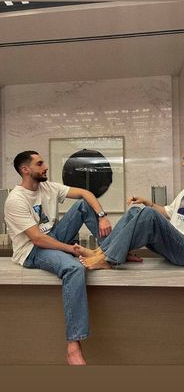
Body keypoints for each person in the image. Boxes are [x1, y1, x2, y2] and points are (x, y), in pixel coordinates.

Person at [4, 150, 114, 365]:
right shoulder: (15, 200)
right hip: (31, 251)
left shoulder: (48, 187)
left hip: (52, 237)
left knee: (83, 205)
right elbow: (37, 239)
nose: (45, 167)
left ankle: (111, 252)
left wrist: (102, 217)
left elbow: (85, 193)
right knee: (74, 268)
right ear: (25, 170)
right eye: (40, 163)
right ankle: (73, 346)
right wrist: (71, 249)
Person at [78, 141, 184, 270]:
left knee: (148, 214)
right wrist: (147, 201)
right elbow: (169, 212)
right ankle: (100, 251)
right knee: (134, 211)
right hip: (177, 243)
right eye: (183, 159)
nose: (183, 163)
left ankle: (108, 259)